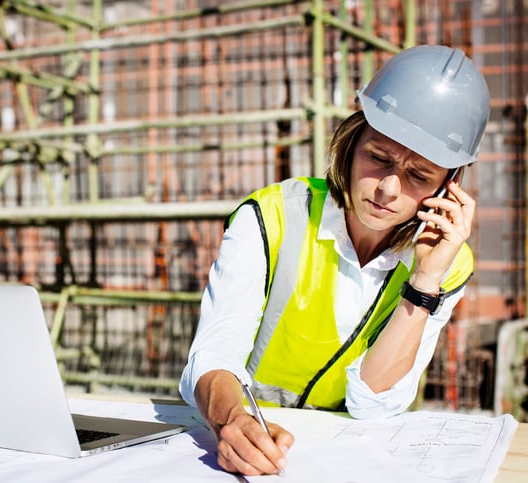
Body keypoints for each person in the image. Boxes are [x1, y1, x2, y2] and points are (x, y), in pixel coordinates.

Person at [179, 44, 491, 476]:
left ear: (448, 186)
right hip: (240, 442)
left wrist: (423, 285)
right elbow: (213, 353)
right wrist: (232, 420)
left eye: (419, 176)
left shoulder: (448, 263)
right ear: (352, 138)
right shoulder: (272, 216)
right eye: (377, 158)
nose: (388, 189)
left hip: (345, 462)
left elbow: (373, 404)